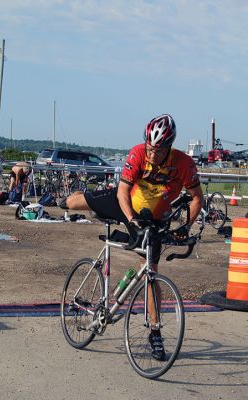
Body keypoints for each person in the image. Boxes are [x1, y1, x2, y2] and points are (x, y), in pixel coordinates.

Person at [61, 114, 204, 361]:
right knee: (76, 203)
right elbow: (124, 191)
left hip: (154, 217)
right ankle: (65, 198)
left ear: (169, 147)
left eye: (157, 151)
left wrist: (187, 227)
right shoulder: (138, 153)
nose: (151, 154)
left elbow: (197, 198)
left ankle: (155, 332)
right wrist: (131, 220)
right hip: (125, 204)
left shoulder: (183, 164)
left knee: (151, 271)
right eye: (149, 147)